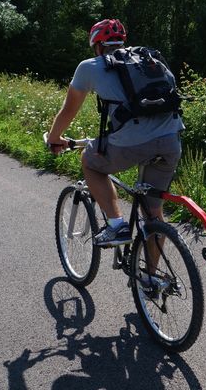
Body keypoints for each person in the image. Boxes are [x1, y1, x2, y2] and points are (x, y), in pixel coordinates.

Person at [46, 18, 184, 247]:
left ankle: (116, 225)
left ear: (97, 45)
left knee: (90, 161)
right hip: (171, 140)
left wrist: (54, 138)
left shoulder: (90, 66)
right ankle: (150, 269)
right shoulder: (149, 60)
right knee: (153, 213)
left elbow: (68, 110)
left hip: (132, 143)